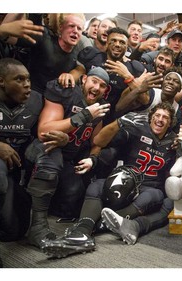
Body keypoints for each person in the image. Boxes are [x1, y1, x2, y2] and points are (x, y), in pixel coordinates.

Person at [41, 102, 177, 258]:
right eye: (157, 115)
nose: (160, 120)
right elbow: (99, 141)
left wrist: (181, 145)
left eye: (165, 117)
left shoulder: (174, 141)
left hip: (149, 187)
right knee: (97, 186)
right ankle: (82, 232)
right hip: (128, 180)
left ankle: (95, 226)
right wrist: (118, 123)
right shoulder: (138, 129)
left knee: (153, 196)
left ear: (170, 122)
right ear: (150, 117)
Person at [98, 106, 182, 245]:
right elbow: (174, 173)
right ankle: (134, 226)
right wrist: (179, 148)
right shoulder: (178, 140)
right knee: (168, 203)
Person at [25, 67, 110, 249]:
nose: (97, 87)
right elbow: (44, 131)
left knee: (72, 197)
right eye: (94, 81)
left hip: (67, 161)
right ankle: (37, 227)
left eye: (102, 86)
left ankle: (36, 203)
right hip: (45, 150)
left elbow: (97, 142)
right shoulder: (68, 93)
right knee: (51, 153)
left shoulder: (99, 108)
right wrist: (84, 115)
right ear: (84, 79)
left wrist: (92, 159)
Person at [0, 59, 68, 267]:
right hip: (1, 165)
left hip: (22, 163)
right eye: (19, 80)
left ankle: (38, 227)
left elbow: (49, 128)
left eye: (28, 79)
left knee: (13, 232)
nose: (27, 84)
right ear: (1, 81)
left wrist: (63, 137)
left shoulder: (37, 100)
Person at [58, 27, 146, 125]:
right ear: (107, 42)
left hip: (108, 118)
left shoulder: (134, 67)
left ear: (127, 46)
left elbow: (145, 99)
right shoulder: (92, 55)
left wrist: (127, 76)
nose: (117, 45)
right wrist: (70, 75)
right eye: (113, 40)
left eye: (122, 42)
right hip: (79, 108)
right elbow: (80, 69)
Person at [6, 13, 86, 94]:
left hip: (53, 100)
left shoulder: (78, 53)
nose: (75, 30)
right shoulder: (44, 38)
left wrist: (71, 75)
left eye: (79, 28)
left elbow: (81, 69)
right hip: (29, 95)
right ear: (61, 27)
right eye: (71, 26)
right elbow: (7, 37)